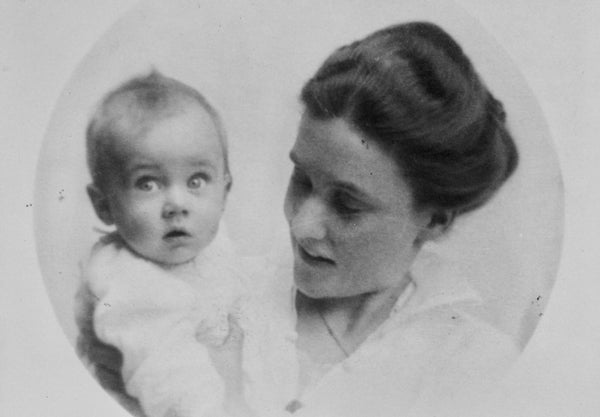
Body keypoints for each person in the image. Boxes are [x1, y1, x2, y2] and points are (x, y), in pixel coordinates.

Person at [78, 21, 521, 417]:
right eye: (302, 179)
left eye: (347, 204)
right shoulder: (208, 293)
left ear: (436, 219)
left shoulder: (476, 369)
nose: (301, 224)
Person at [75, 71, 247, 417]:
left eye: (197, 180)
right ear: (104, 205)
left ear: (225, 190)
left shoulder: (203, 240)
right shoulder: (129, 285)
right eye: (148, 184)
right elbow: (174, 386)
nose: (177, 204)